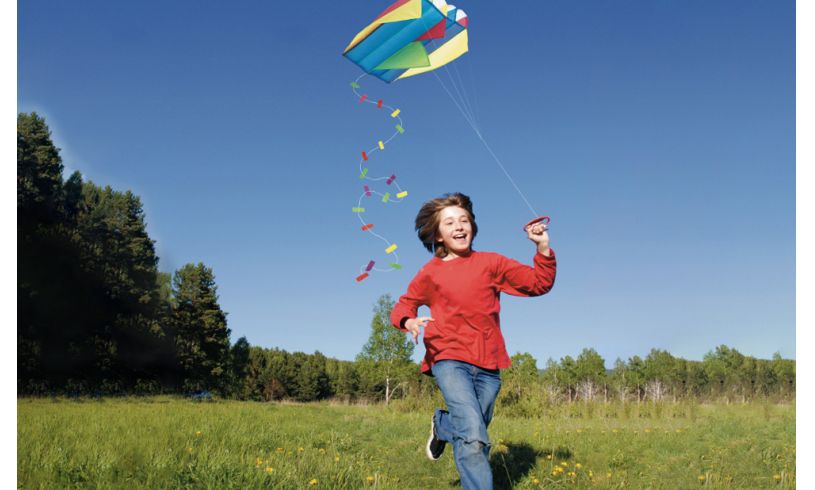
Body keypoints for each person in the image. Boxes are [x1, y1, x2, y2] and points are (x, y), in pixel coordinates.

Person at [390, 192, 556, 490]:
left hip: (489, 364)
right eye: (450, 222)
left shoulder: (491, 263)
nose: (459, 226)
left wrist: (542, 247)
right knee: (474, 438)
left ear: (472, 226)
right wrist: (409, 321)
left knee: (473, 427)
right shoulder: (431, 273)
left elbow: (538, 284)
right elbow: (404, 305)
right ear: (437, 235)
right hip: (449, 358)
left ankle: (443, 425)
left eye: (464, 220)